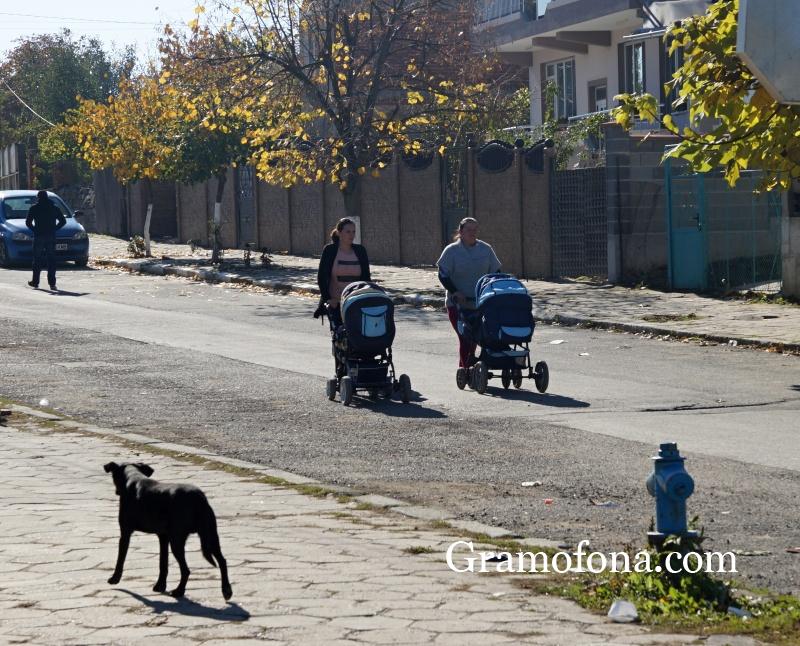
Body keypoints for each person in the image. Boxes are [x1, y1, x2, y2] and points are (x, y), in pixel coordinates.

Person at [437, 217, 501, 369]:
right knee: (465, 337)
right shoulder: (451, 251)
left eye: (475, 230)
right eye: (468, 230)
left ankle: (472, 370)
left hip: (480, 303)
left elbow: (496, 272)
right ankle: (465, 370)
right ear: (460, 232)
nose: (472, 233)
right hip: (458, 304)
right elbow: (443, 274)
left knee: (479, 338)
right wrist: (455, 292)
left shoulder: (486, 249)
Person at [315, 218, 371, 326]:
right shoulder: (330, 250)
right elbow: (322, 277)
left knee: (357, 337)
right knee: (339, 336)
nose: (351, 235)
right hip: (336, 303)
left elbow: (366, 277)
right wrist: (328, 299)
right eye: (348, 232)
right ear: (339, 233)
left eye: (354, 232)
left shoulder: (360, 250)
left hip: (356, 302)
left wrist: (368, 297)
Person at [26, 190, 66, 291]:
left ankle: (35, 282)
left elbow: (28, 222)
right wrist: (54, 229)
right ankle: (52, 283)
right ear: (47, 197)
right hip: (50, 236)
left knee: (37, 259)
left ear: (38, 197)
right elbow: (63, 221)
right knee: (51, 259)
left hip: (39, 236)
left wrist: (35, 230)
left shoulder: (34, 208)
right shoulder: (54, 207)